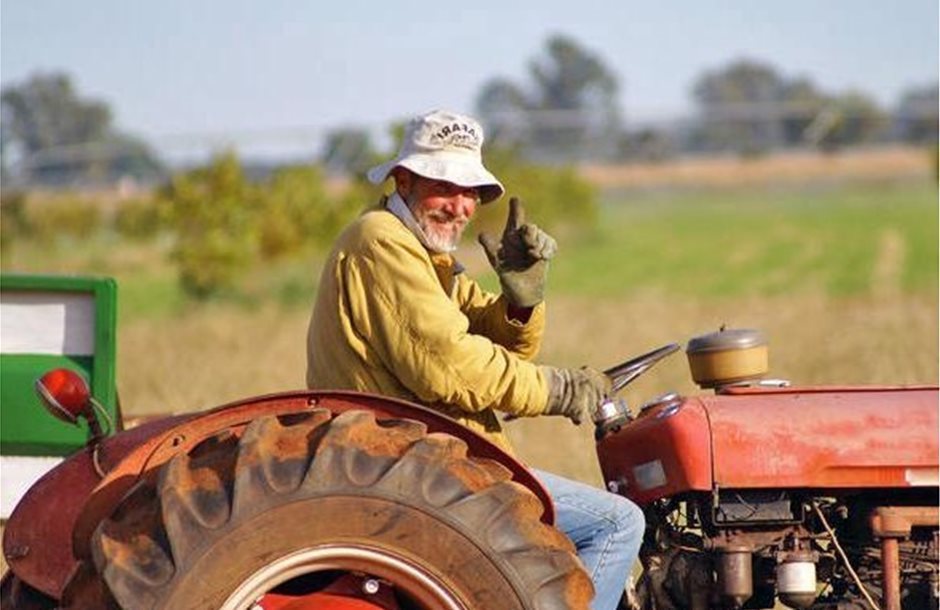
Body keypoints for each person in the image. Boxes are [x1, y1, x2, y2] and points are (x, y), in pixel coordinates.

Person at [306, 109, 643, 610]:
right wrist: (561, 389)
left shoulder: (426, 255)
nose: (461, 206)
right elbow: (449, 365)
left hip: (426, 456)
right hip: (405, 463)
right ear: (404, 180)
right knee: (615, 523)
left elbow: (492, 339)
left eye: (471, 193)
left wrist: (521, 300)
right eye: (446, 186)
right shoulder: (381, 241)